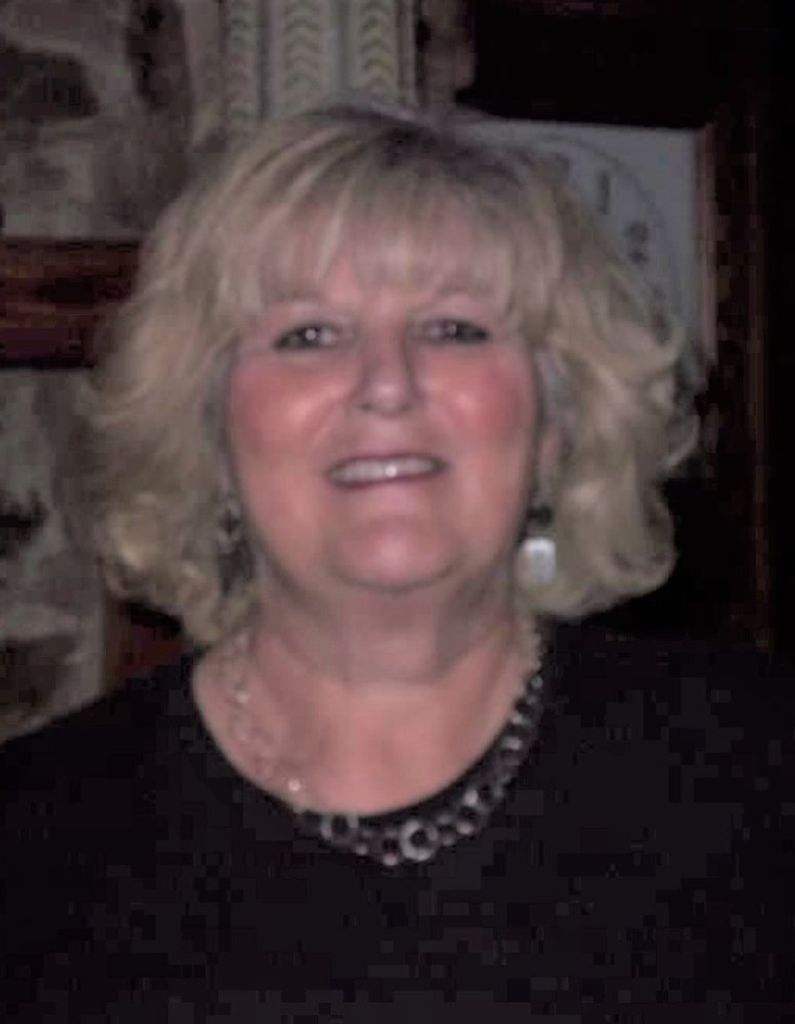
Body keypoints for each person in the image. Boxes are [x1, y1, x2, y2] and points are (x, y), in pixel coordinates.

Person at [1, 105, 791, 1021]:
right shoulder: (33, 843)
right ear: (207, 430)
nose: (387, 384)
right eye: (308, 335)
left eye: (453, 328)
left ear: (556, 423)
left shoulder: (757, 769)